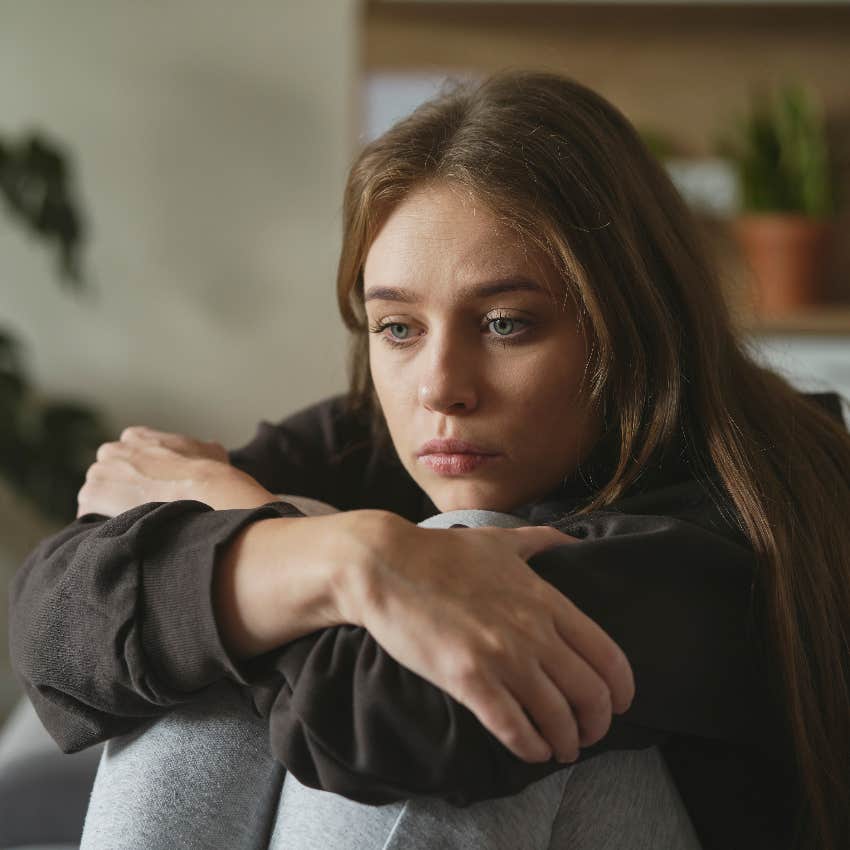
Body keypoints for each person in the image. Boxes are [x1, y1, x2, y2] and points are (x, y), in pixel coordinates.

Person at [9, 70, 850, 850]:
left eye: (507, 323)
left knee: (444, 565)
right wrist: (341, 556)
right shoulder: (378, 436)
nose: (440, 388)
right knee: (214, 622)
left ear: (633, 324)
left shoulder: (745, 512)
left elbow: (406, 723)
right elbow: (54, 619)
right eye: (399, 327)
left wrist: (245, 514)